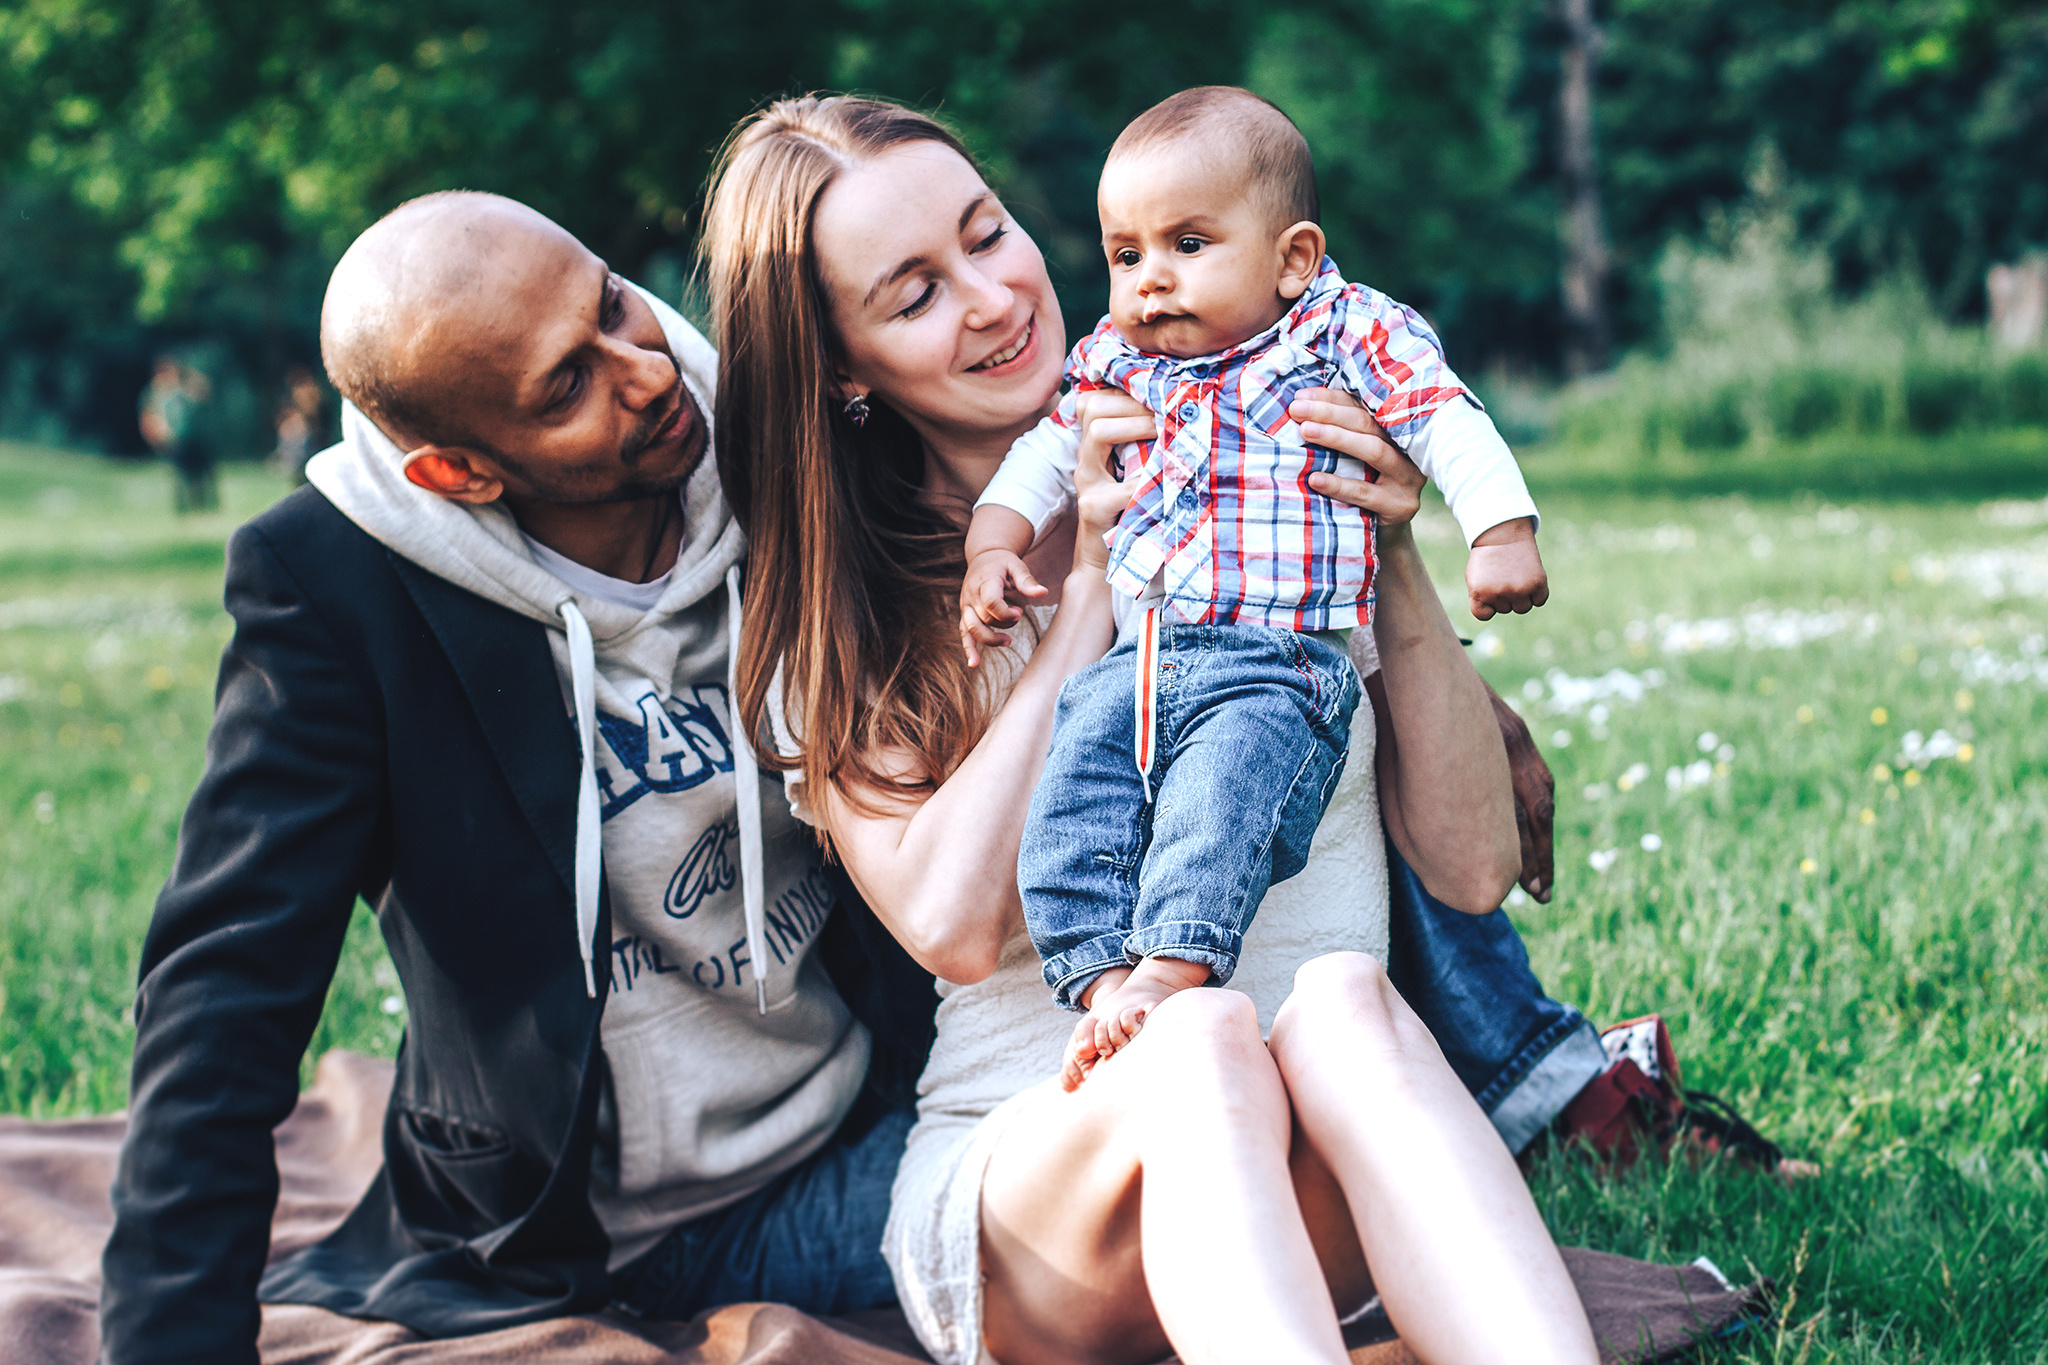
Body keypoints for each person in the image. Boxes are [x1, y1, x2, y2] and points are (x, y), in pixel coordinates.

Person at [706, 94, 1598, 1365]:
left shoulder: (1268, 483)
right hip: (1043, 1196)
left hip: (1315, 1163)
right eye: (913, 296)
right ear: (843, 367)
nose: (995, 299)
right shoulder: (846, 625)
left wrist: (1384, 549)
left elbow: (1466, 869)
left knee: (1345, 997)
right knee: (1194, 1032)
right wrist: (1089, 597)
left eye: (987, 233)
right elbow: (953, 925)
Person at [98, 192, 937, 1365]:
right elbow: (225, 983)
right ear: (458, 472)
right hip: (608, 1230)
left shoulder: (775, 450)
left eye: (612, 305)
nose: (644, 371)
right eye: (567, 387)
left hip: (876, 1104)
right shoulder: (337, 592)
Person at [959, 87, 1549, 1078]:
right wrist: (991, 546)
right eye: (1124, 254)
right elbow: (1038, 457)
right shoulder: (1119, 363)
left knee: (1221, 798)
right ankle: (1103, 980)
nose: (1149, 282)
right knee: (1073, 801)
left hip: (1274, 656)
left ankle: (1173, 963)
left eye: (1187, 244)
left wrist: (1497, 531)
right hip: (1140, 660)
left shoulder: (1336, 333)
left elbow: (1442, 414)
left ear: (1293, 258)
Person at [138, 356, 218, 513]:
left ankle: (206, 506)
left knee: (204, 474)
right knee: (181, 476)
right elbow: (149, 418)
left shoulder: (185, 390)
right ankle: (184, 508)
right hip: (176, 441)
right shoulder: (155, 394)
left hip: (197, 439)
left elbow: (205, 392)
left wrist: (187, 376)